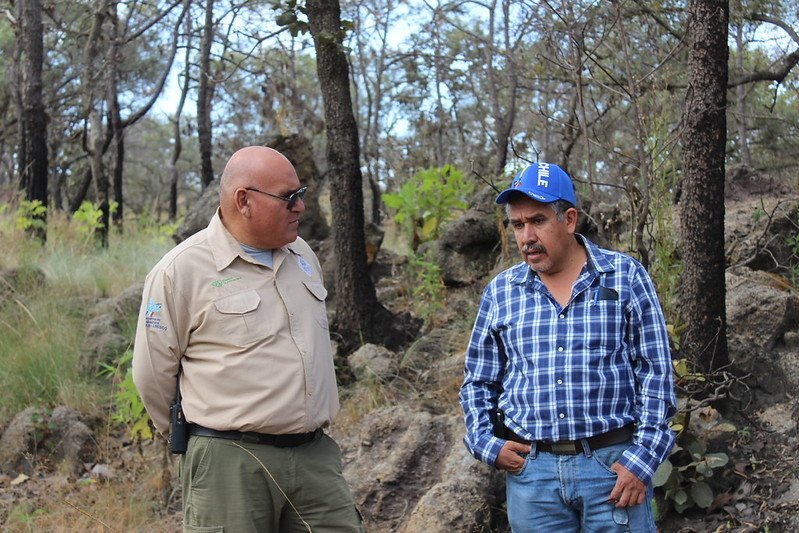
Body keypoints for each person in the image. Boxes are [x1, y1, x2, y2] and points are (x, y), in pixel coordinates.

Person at [133, 146, 363, 532]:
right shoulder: (180, 271)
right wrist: (206, 440)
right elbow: (152, 375)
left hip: (314, 458)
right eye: (289, 198)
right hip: (230, 464)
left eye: (301, 195)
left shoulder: (303, 255)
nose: (301, 207)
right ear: (245, 201)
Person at [459, 162, 676, 531]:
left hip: (612, 469)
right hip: (532, 476)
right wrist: (486, 444)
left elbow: (656, 372)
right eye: (517, 224)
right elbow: (478, 381)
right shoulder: (502, 291)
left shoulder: (624, 276)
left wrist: (642, 459)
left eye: (538, 220)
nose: (526, 236)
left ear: (570, 219)